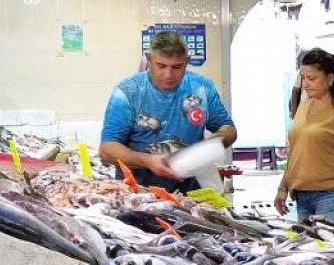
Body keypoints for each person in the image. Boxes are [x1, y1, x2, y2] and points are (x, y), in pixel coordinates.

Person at [99, 32, 237, 193]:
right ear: (149, 59)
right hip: (139, 193)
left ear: (187, 62)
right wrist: (148, 161)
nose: (168, 74)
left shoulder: (202, 87)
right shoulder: (128, 92)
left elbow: (228, 129)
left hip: (193, 192)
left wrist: (211, 145)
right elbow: (107, 149)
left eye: (177, 67)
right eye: (161, 66)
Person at [274, 49, 334, 223]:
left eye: (312, 78)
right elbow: (296, 151)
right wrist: (283, 188)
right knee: (309, 249)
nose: (306, 84)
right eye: (303, 78)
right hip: (302, 195)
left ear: (330, 79)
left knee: (330, 248)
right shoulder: (304, 104)